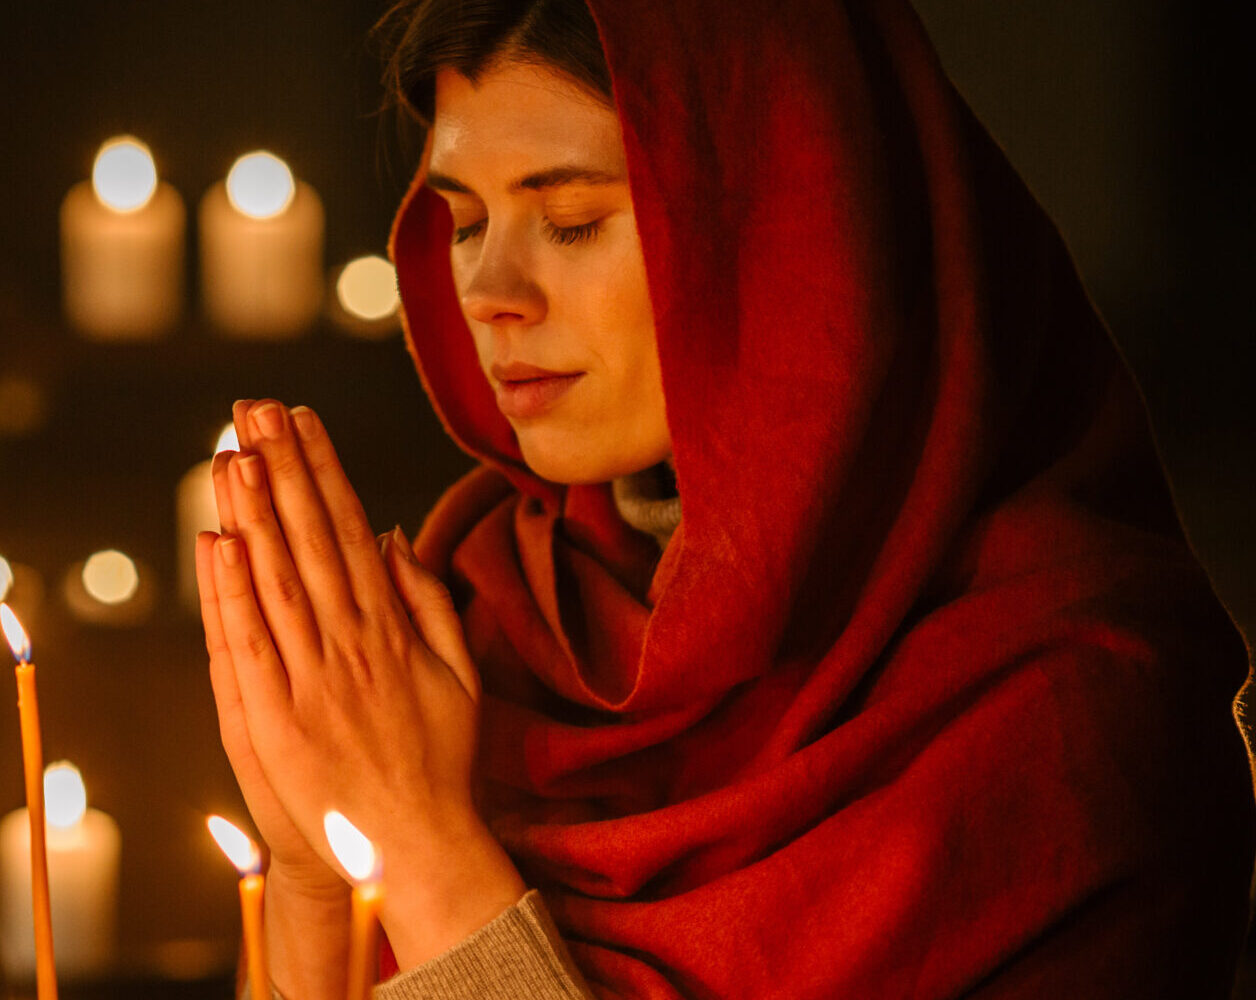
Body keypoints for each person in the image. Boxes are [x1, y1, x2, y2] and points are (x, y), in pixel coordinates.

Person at [192, 0, 1256, 997]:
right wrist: (312, 869)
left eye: (566, 222)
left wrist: (424, 850)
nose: (488, 292)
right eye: (464, 224)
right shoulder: (483, 613)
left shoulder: (1068, 709)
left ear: (789, 224)